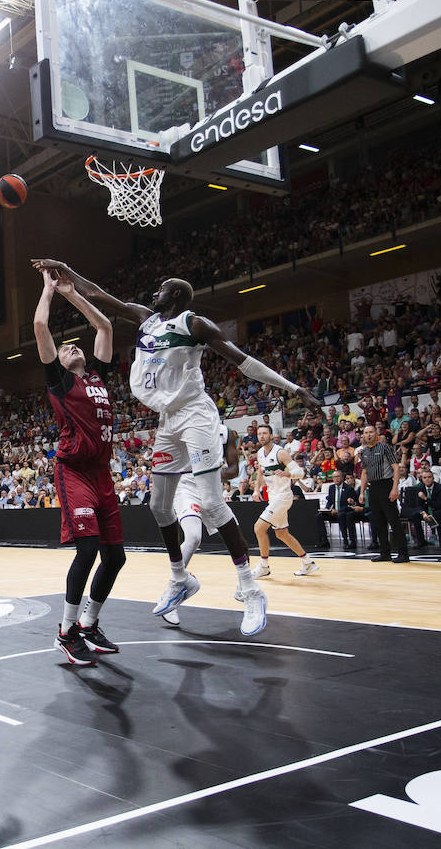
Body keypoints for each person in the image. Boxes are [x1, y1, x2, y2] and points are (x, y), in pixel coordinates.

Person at [31, 259, 317, 636]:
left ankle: (249, 589)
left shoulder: (194, 324)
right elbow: (101, 297)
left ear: (177, 295)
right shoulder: (147, 319)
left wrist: (293, 388)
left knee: (213, 504)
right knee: (158, 505)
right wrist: (68, 272)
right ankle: (180, 577)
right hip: (167, 419)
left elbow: (244, 363)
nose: (154, 293)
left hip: (195, 414)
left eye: (162, 288)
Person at [33, 268, 126, 664]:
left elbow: (104, 324)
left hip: (101, 474)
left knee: (116, 557)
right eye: (66, 346)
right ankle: (66, 631)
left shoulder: (98, 378)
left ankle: (89, 623)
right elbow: (40, 324)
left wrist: (74, 293)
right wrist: (49, 290)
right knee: (86, 549)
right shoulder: (60, 382)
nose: (71, 347)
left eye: (75, 345)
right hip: (73, 471)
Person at [166, 424, 248, 627]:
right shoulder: (183, 430)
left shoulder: (228, 432)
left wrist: (211, 474)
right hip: (186, 486)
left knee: (240, 543)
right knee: (193, 537)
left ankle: (244, 588)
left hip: (210, 488)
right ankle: (172, 594)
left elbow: (234, 469)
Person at [251, 425, 319, 578]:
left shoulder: (280, 452)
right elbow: (260, 472)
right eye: (259, 434)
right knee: (281, 533)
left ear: (271, 435)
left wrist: (286, 473)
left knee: (259, 528)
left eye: (265, 433)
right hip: (273, 497)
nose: (262, 436)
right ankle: (308, 563)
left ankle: (264, 566)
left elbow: (300, 472)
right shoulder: (260, 453)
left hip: (283, 496)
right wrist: (256, 490)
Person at [356, 425, 409, 562]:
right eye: (365, 433)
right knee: (378, 522)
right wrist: (362, 492)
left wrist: (395, 488)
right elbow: (364, 472)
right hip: (372, 488)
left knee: (393, 520)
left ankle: (403, 553)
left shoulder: (385, 447)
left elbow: (396, 467)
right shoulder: (365, 451)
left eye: (371, 432)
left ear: (376, 434)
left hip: (386, 485)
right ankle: (385, 552)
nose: (368, 435)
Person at [401, 468, 441, 549]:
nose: (427, 479)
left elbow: (439, 505)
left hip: (439, 510)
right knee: (415, 516)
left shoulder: (440, 488)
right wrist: (423, 513)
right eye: (425, 478)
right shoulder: (420, 488)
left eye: (429, 477)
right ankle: (421, 541)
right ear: (422, 479)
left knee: (438, 514)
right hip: (426, 511)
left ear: (433, 478)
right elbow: (418, 505)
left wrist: (425, 498)